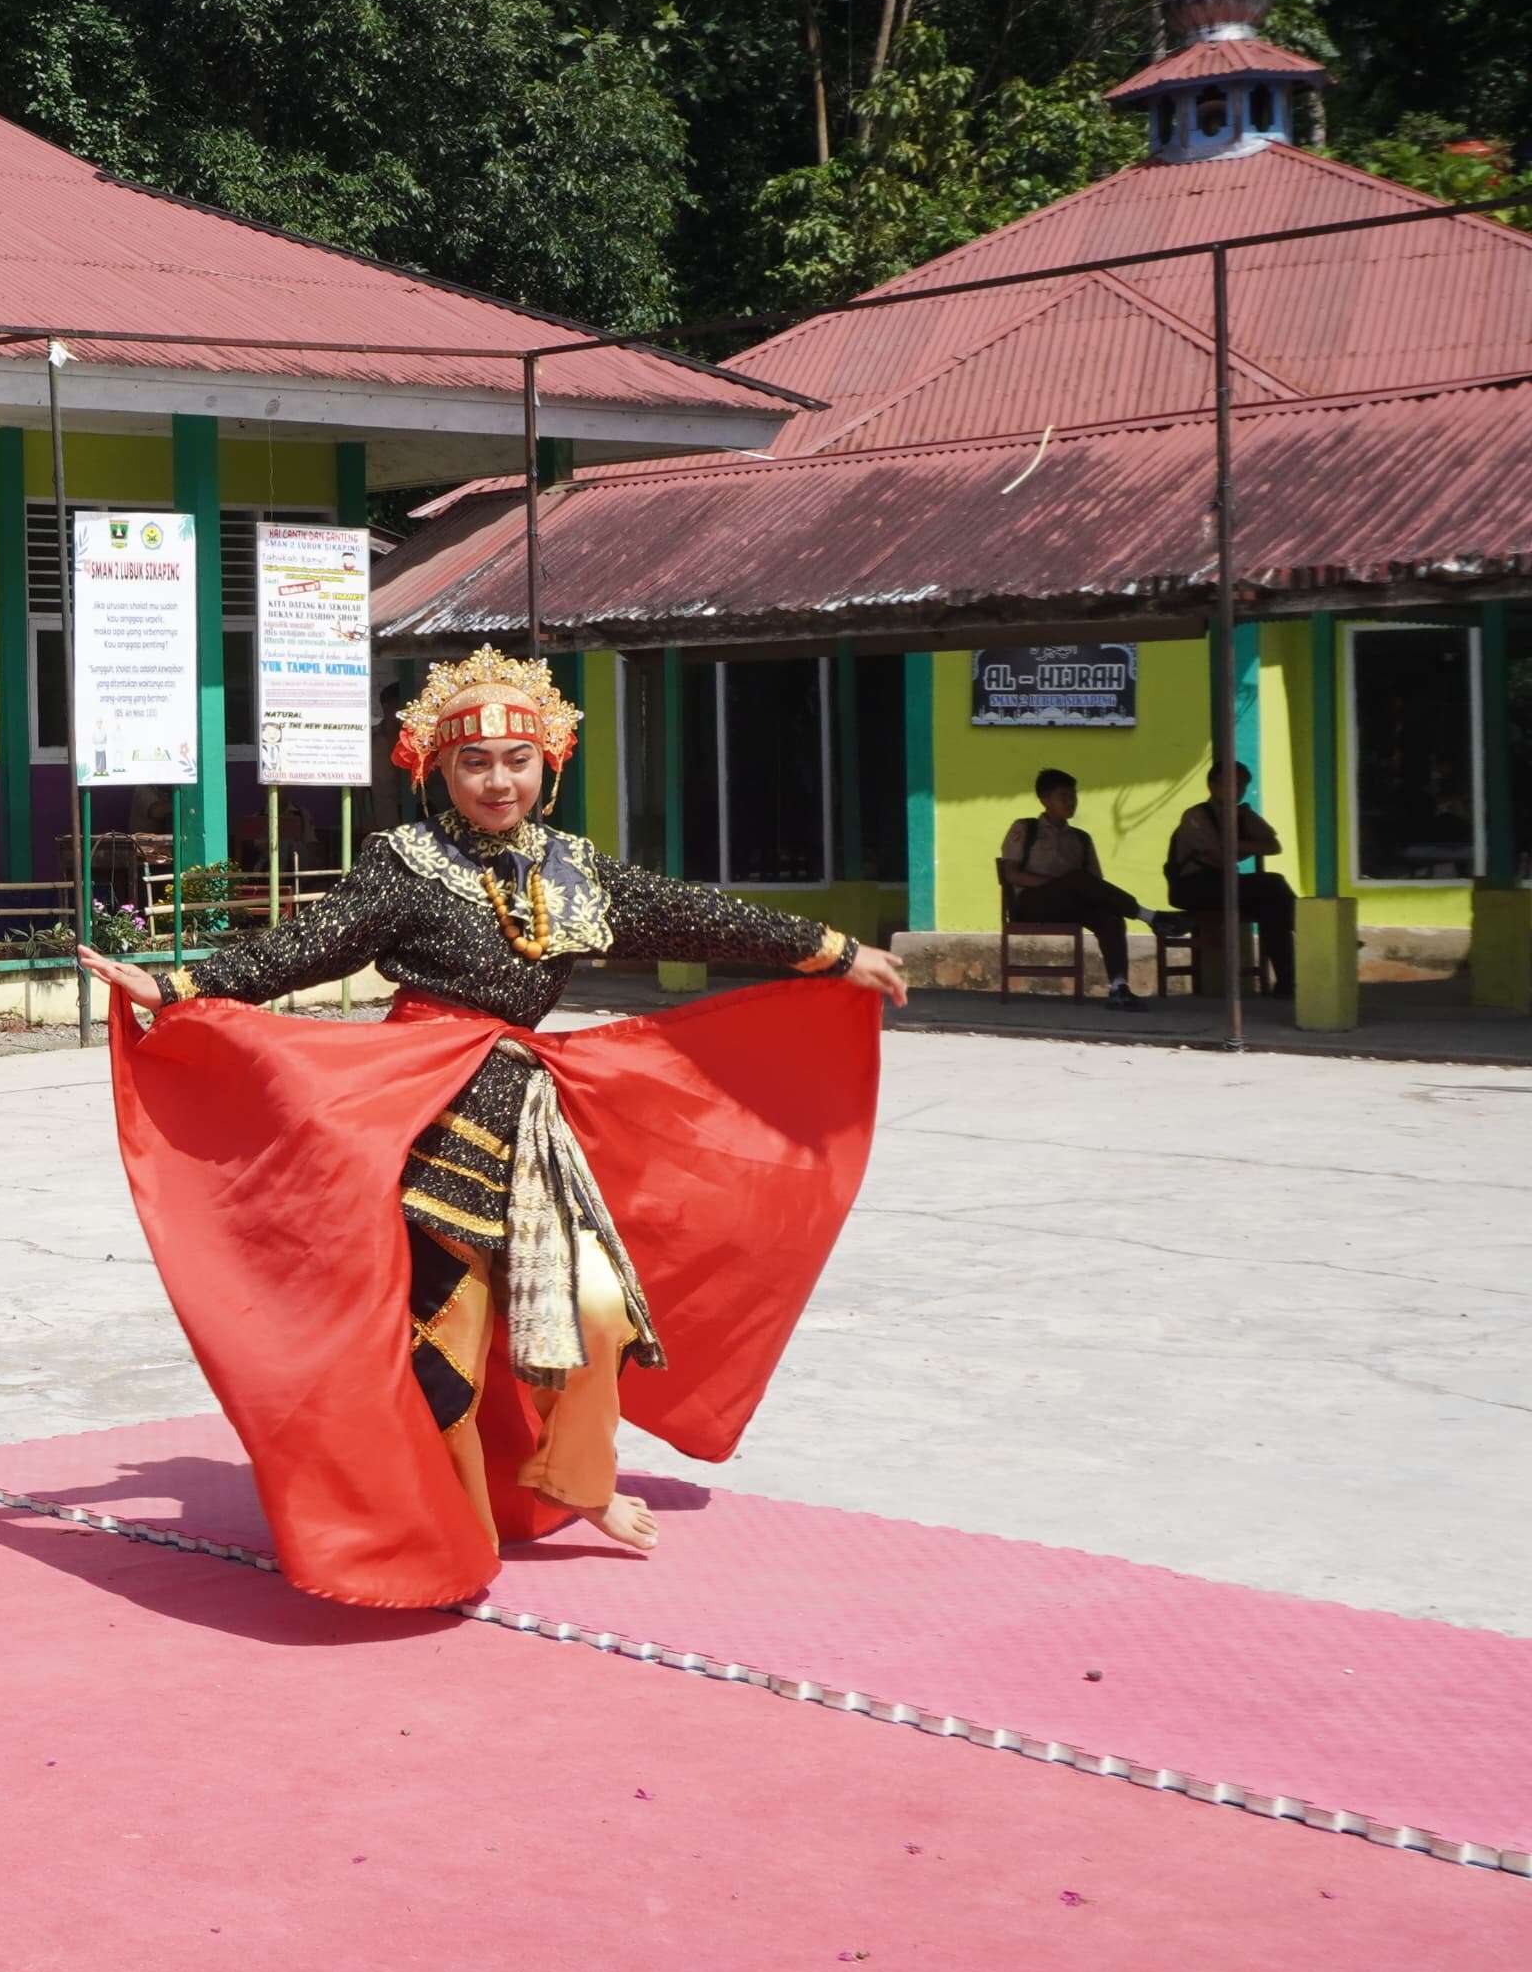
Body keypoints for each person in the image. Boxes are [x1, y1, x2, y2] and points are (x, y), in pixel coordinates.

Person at [78, 648, 905, 1605]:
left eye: (518, 760)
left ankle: (575, 1478)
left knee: (598, 1310)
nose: (498, 781)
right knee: (444, 1348)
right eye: (475, 763)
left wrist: (829, 951)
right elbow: (305, 948)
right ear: (438, 769)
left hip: (527, 1118)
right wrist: (177, 985)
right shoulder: (404, 864)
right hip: (420, 1114)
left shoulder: (577, 871)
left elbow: (691, 915)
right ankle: (445, 1535)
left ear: (548, 765)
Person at [998, 768, 1145, 1010]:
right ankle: (1146, 914)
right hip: (1033, 905)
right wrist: (1058, 884)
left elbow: (1095, 884)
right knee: (1075, 878)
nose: (1071, 802)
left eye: (1073, 796)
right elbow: (1011, 874)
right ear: (1045, 800)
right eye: (1063, 796)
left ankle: (1119, 988)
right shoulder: (1025, 828)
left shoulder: (1081, 838)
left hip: (1071, 905)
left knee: (1110, 917)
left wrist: (1071, 887)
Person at [1164, 759, 1297, 997]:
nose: (1238, 790)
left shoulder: (1242, 814)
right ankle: (1310, 930)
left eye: (1242, 785)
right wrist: (1245, 844)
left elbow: (1273, 845)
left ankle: (1286, 982)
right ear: (1213, 785)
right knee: (1273, 883)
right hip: (1194, 886)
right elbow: (1219, 853)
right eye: (1232, 784)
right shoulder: (1196, 815)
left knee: (1272, 909)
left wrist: (1240, 839)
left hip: (1224, 885)